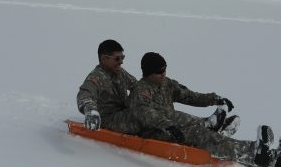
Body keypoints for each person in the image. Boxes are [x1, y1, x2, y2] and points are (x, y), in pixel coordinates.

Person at [128, 52, 281, 167]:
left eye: (165, 69)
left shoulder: (166, 84)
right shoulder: (140, 90)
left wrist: (215, 99)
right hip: (155, 132)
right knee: (205, 137)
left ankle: (275, 158)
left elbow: (190, 96)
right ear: (148, 73)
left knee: (208, 136)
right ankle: (254, 152)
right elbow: (145, 114)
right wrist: (168, 126)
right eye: (160, 72)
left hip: (175, 128)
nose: (164, 74)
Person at [77, 40, 238, 136]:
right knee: (154, 114)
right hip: (111, 120)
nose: (121, 62)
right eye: (117, 58)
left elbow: (138, 86)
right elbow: (85, 94)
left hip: (125, 113)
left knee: (157, 109)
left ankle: (207, 126)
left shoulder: (118, 72)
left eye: (123, 57)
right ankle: (205, 126)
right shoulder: (96, 77)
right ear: (104, 58)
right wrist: (91, 111)